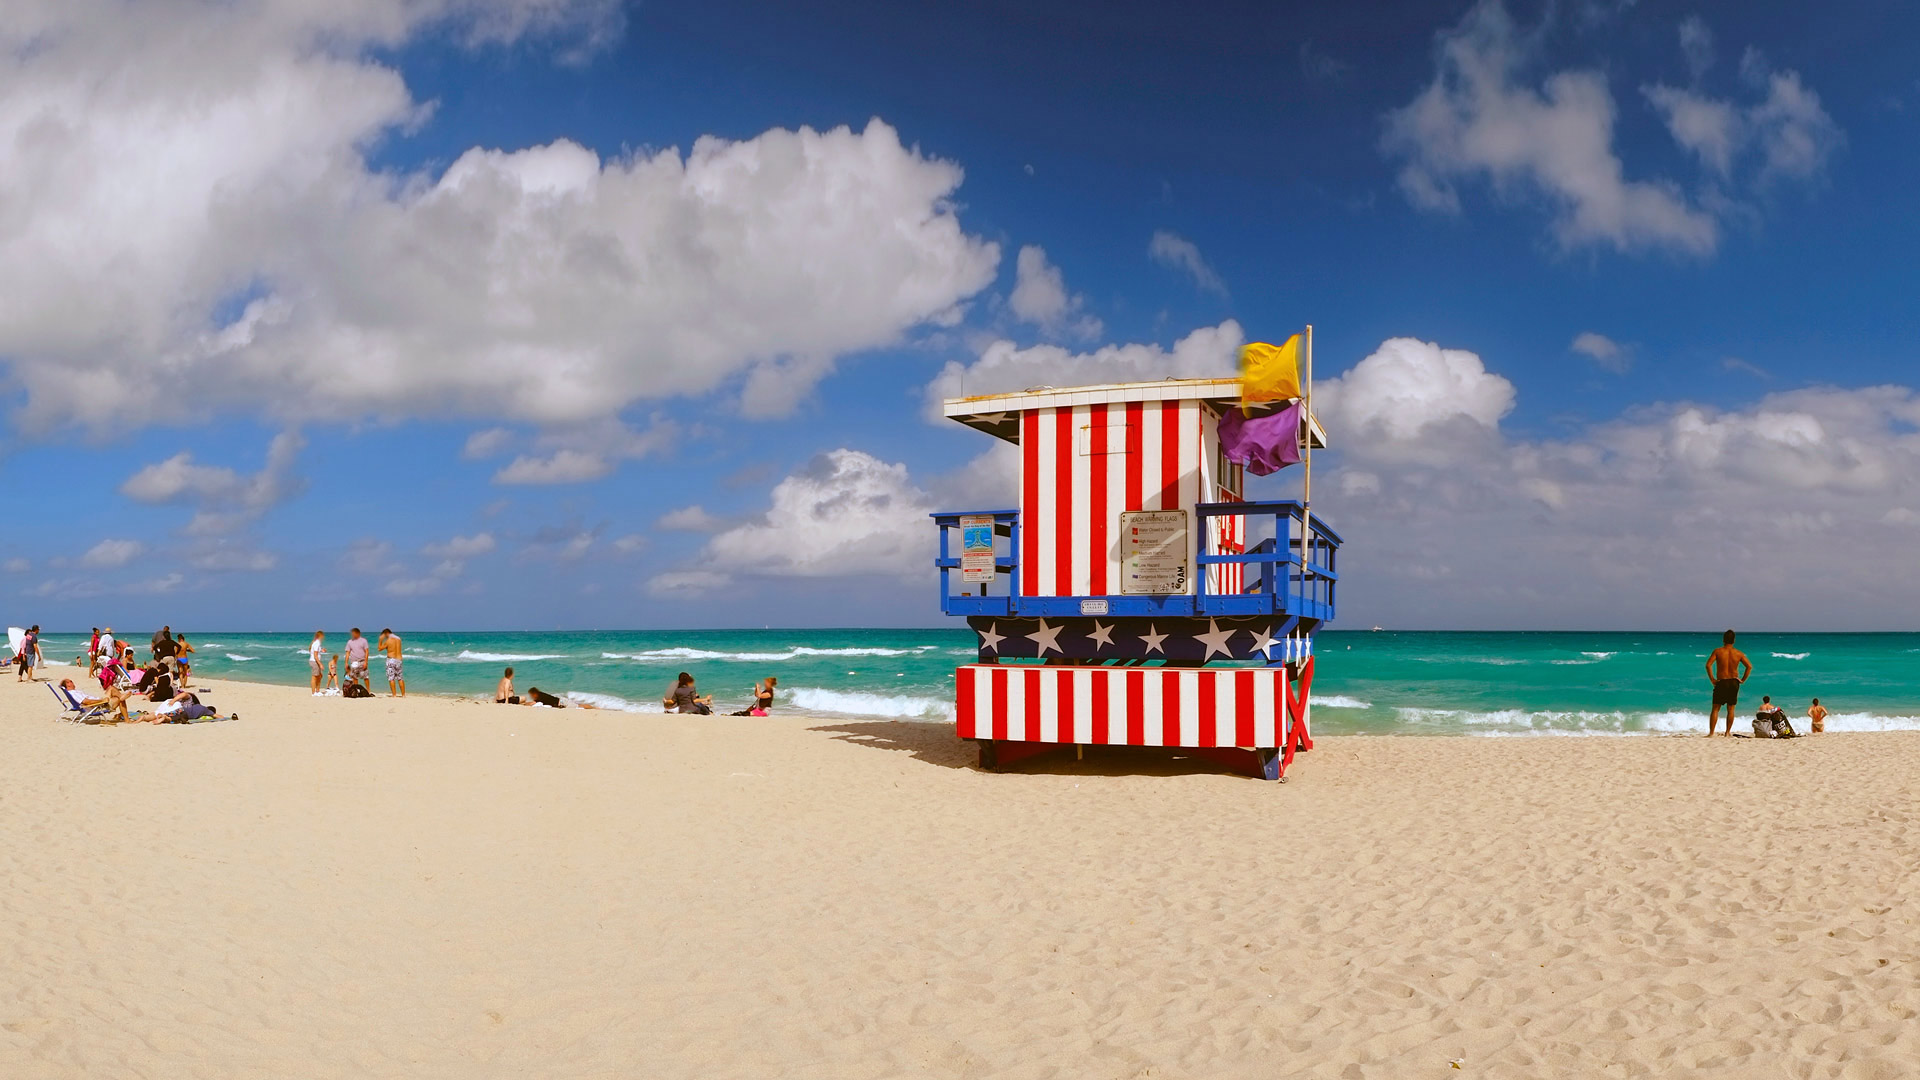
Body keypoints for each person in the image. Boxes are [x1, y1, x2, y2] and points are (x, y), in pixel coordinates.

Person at [1704, 629, 1752, 737]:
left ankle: (1711, 733)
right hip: (1733, 682)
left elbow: (1708, 665)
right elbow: (1749, 666)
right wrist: (1743, 680)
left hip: (1722, 682)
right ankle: (1727, 733)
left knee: (1715, 708)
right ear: (1734, 640)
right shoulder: (1738, 653)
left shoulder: (1718, 651)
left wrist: (1712, 679)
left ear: (1723, 640)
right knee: (1731, 709)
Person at [379, 628, 405, 698]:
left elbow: (379, 648)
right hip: (399, 660)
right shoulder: (398, 639)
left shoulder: (388, 640)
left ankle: (394, 695)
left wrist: (380, 640)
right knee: (400, 678)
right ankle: (403, 695)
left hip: (391, 660)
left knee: (391, 678)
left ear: (386, 634)